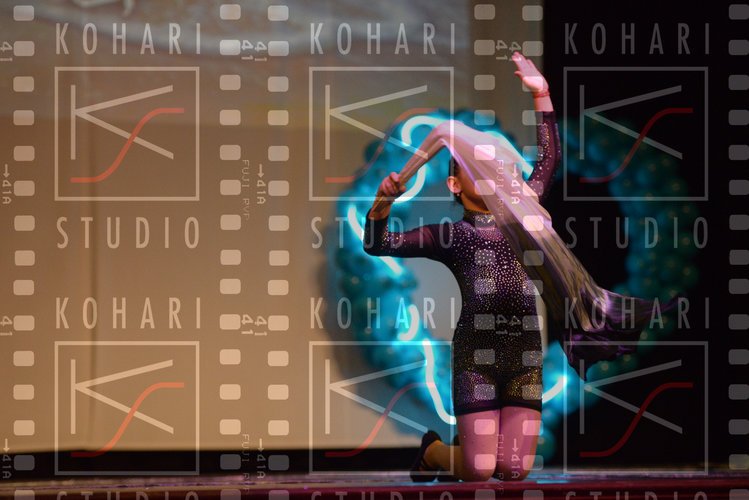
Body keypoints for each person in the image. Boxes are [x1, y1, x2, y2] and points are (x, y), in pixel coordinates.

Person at [363, 52, 558, 482]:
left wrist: (541, 94)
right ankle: (434, 452)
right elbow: (380, 244)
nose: (491, 168)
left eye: (495, 163)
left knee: (513, 470)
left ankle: (455, 451)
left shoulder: (523, 215)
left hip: (525, 353)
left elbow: (548, 159)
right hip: (476, 358)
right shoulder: (453, 235)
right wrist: (382, 205)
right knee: (479, 470)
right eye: (476, 164)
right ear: (454, 183)